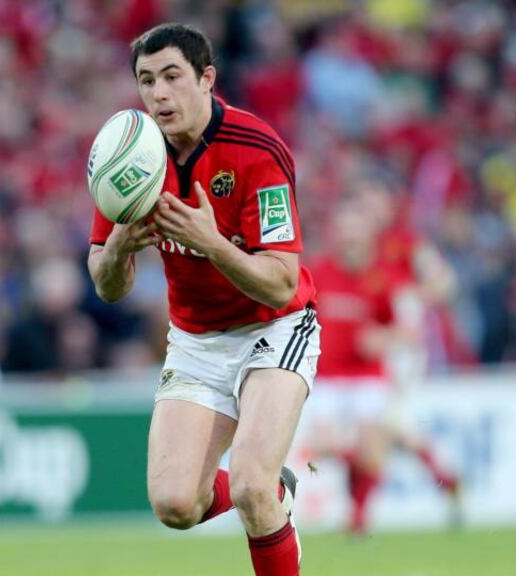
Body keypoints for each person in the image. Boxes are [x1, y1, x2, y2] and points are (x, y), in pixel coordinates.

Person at [87, 23, 319, 576]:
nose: (158, 93)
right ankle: (272, 488)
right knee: (175, 505)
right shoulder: (131, 158)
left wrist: (211, 243)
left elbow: (282, 282)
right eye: (146, 80)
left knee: (251, 485)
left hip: (275, 330)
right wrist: (118, 247)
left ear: (206, 78)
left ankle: (263, 490)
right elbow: (107, 285)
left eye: (171, 76)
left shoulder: (258, 150)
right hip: (195, 341)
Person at [303, 190, 458, 536]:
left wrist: (383, 339)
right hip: (326, 375)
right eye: (344, 231)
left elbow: (411, 328)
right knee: (328, 447)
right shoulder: (317, 271)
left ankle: (358, 520)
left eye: (356, 231)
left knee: (377, 440)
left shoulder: (389, 272)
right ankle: (441, 475)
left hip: (369, 376)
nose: (349, 238)